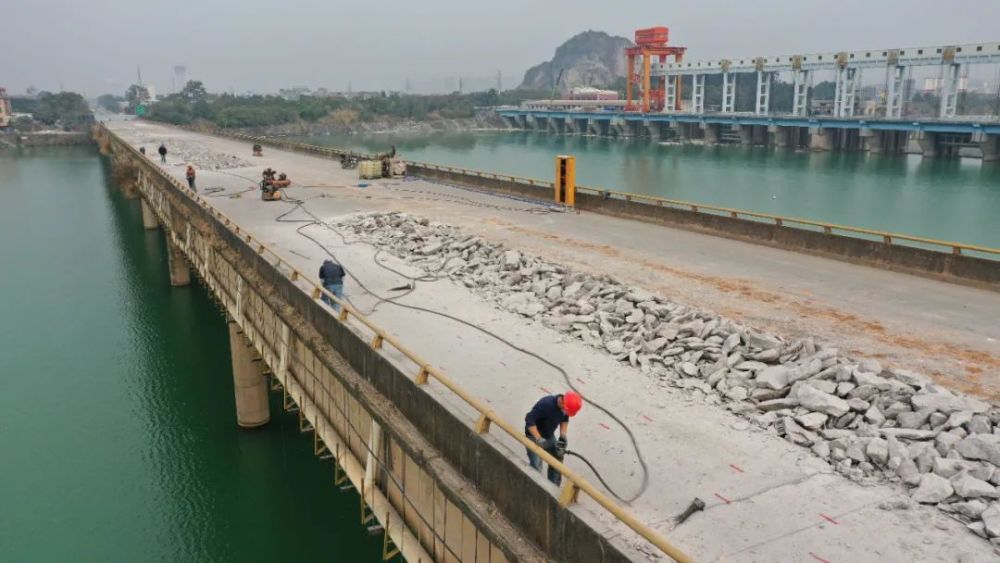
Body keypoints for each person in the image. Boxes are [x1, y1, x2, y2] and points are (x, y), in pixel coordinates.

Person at [524, 391, 582, 486]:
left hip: (548, 435)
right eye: (567, 410)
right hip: (533, 436)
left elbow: (565, 419)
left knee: (557, 460)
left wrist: (563, 435)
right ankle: (533, 489)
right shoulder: (546, 405)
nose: (566, 412)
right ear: (563, 402)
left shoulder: (565, 408)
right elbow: (529, 419)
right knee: (536, 466)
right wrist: (538, 438)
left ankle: (553, 487)